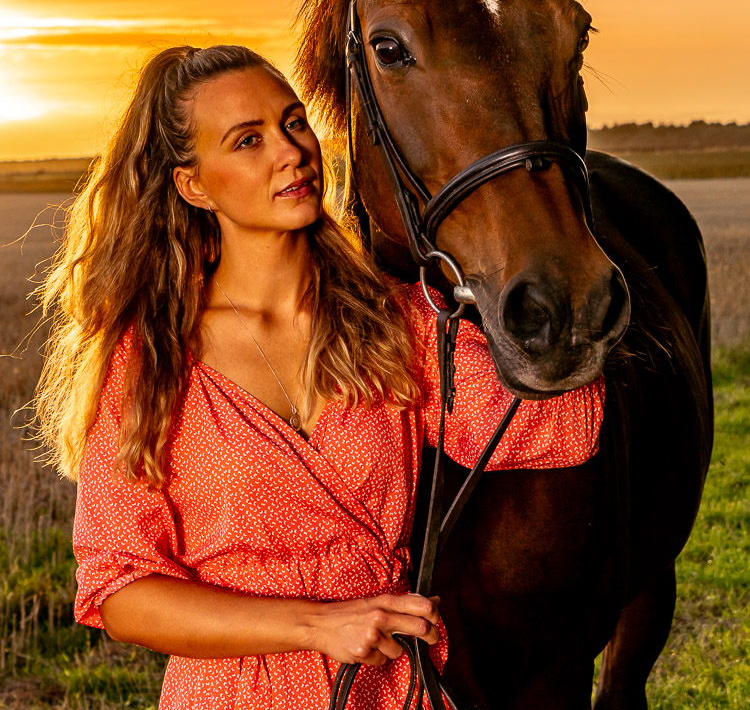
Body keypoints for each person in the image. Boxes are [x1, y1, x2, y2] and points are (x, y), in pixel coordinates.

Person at [36, 45, 605, 710]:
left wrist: (532, 273)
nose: (291, 151)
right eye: (248, 141)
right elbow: (120, 590)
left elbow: (559, 430)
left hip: (393, 689)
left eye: (294, 122)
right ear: (193, 184)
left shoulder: (396, 321)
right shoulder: (150, 359)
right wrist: (316, 625)